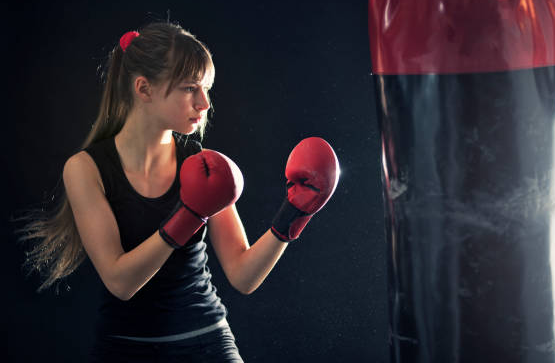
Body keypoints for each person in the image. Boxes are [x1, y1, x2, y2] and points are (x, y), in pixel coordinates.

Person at [15, 21, 340, 362]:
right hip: (124, 348)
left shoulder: (201, 162)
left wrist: (295, 213)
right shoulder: (85, 169)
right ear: (144, 89)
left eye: (206, 88)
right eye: (189, 88)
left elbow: (243, 276)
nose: (204, 102)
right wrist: (190, 216)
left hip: (208, 340)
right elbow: (120, 282)